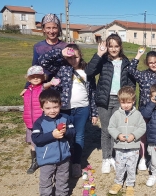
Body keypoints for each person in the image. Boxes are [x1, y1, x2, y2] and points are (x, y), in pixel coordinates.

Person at [38, 44, 98, 178]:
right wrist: (60, 52)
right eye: (69, 58)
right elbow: (42, 60)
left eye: (75, 57)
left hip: (83, 108)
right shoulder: (61, 67)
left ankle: (76, 163)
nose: (73, 60)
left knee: (79, 135)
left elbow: (92, 92)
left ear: (80, 55)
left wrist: (94, 112)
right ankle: (62, 161)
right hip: (64, 109)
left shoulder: (87, 70)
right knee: (63, 134)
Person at [85, 34, 136, 174]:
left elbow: (131, 83)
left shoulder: (126, 62)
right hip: (104, 100)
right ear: (107, 46)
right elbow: (89, 72)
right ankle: (105, 159)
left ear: (120, 47)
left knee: (116, 130)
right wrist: (98, 54)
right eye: (111, 46)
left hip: (120, 101)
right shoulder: (103, 61)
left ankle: (114, 156)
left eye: (116, 46)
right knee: (106, 130)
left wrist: (132, 100)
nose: (113, 49)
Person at [127, 48, 156, 171]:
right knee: (143, 134)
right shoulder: (142, 75)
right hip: (145, 109)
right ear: (147, 63)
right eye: (151, 62)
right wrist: (138, 55)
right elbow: (130, 70)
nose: (154, 64)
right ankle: (142, 158)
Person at [31, 89, 75, 196]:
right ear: (42, 108)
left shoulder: (65, 118)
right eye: (48, 108)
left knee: (63, 179)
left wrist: (66, 132)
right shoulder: (39, 122)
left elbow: (73, 132)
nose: (52, 111)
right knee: (46, 181)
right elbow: (36, 138)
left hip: (64, 158)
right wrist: (52, 135)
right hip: (47, 159)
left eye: (55, 107)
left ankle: (62, 194)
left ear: (60, 105)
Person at [107, 86, 146, 196]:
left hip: (133, 147)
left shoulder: (137, 114)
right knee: (119, 166)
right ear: (119, 102)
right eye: (123, 102)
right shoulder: (116, 114)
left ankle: (130, 184)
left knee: (131, 166)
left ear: (133, 101)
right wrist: (118, 135)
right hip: (120, 147)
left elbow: (142, 127)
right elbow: (111, 127)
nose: (126, 105)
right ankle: (118, 182)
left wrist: (134, 136)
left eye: (129, 102)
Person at [23, 66, 60, 174]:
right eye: (32, 76)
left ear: (43, 77)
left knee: (44, 141)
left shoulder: (42, 88)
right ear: (28, 78)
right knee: (32, 143)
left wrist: (52, 82)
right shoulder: (27, 91)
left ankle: (48, 159)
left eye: (38, 76)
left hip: (41, 122)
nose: (35, 78)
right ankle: (35, 161)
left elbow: (46, 85)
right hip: (30, 122)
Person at [20, 13, 67, 96]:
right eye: (48, 28)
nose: (51, 31)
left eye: (54, 28)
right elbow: (34, 67)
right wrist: (27, 86)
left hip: (62, 86)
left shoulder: (65, 46)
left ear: (59, 29)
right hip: (43, 86)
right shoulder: (38, 47)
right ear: (44, 29)